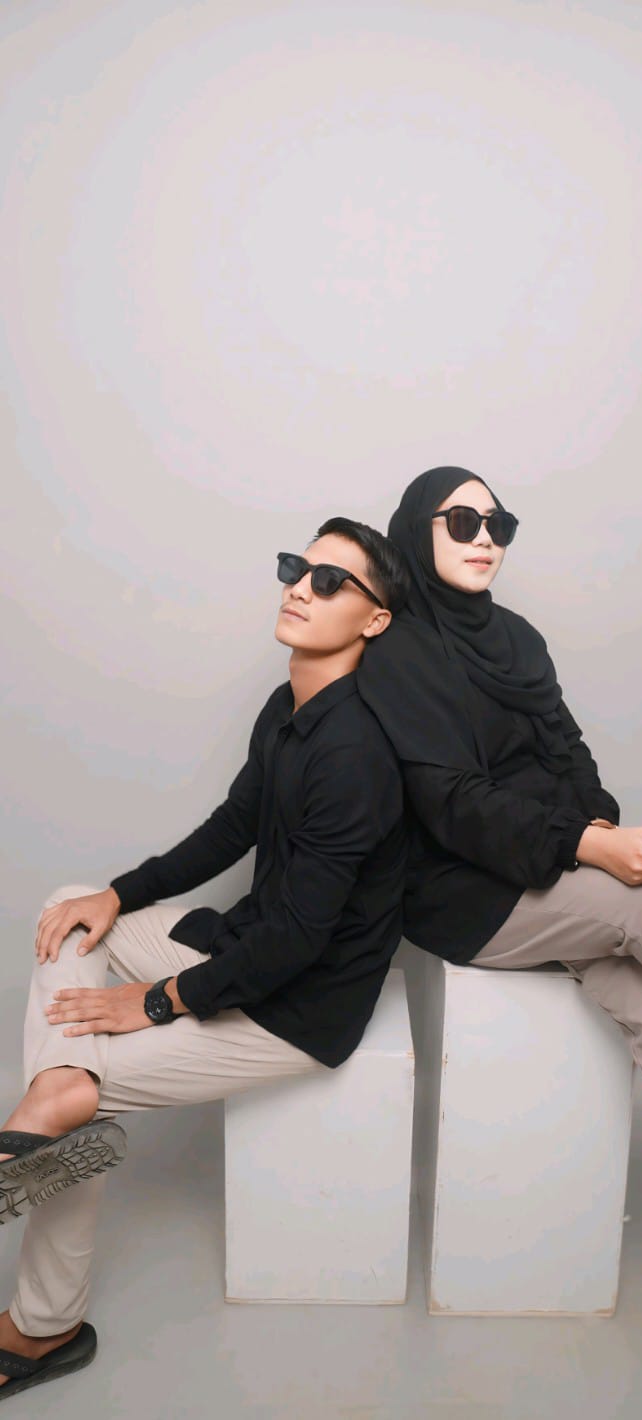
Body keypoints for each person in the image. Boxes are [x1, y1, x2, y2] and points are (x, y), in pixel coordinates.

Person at [0, 517, 409, 1401]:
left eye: (330, 581)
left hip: (293, 1006)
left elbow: (300, 943)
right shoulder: (288, 705)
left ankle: (43, 1325)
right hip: (243, 941)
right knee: (71, 913)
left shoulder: (357, 754)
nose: (299, 587)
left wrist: (154, 1001)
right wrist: (118, 892)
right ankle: (60, 1085)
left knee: (83, 1082)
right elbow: (233, 826)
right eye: (297, 567)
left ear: (375, 620)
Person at [358, 466, 642, 1190]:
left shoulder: (517, 639)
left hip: (547, 858)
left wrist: (596, 826)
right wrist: (590, 849)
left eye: (499, 525)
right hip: (460, 890)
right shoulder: (396, 650)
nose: (485, 539)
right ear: (415, 533)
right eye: (464, 523)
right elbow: (450, 802)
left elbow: (567, 749)